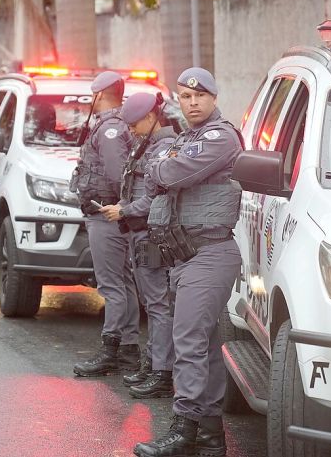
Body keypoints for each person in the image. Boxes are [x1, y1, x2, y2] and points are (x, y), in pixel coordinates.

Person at [132, 68, 242, 457]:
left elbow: (171, 171)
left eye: (199, 96)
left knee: (189, 345)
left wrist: (163, 168)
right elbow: (155, 174)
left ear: (213, 97)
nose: (192, 102)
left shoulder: (219, 136)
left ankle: (184, 431)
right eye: (185, 96)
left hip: (209, 255)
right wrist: (162, 169)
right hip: (185, 259)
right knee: (203, 347)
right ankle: (210, 438)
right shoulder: (185, 138)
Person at [99, 92, 177, 398]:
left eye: (134, 124)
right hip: (141, 233)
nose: (130, 130)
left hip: (152, 234)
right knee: (152, 303)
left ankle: (163, 372)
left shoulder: (164, 147)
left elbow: (156, 195)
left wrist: (125, 210)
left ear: (150, 117)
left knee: (158, 305)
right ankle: (153, 364)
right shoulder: (148, 145)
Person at [68, 71, 140, 377]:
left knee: (112, 285)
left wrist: (119, 207)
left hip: (106, 215)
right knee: (123, 282)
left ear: (101, 94)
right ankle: (129, 348)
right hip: (113, 215)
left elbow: (117, 174)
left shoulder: (110, 128)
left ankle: (112, 349)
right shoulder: (120, 124)